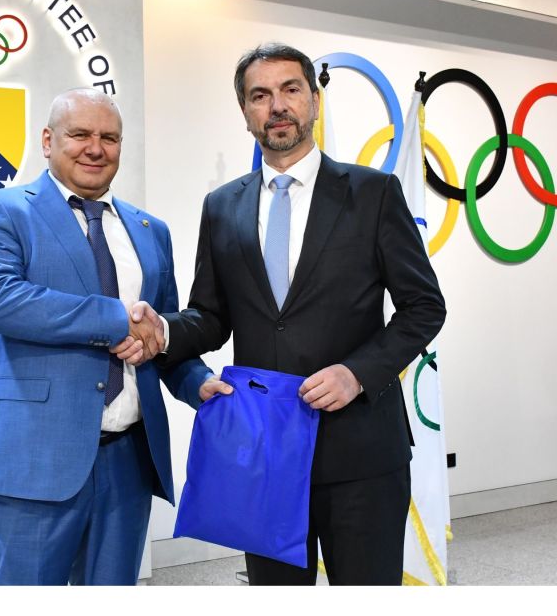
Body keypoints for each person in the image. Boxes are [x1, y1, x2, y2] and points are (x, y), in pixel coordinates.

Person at [152, 43, 447, 585]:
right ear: (245, 112)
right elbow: (212, 316)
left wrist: (358, 373)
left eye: (290, 90)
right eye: (260, 95)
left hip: (361, 450)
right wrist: (164, 331)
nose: (277, 106)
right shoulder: (222, 206)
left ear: (314, 100)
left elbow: (424, 307)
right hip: (264, 453)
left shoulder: (373, 193)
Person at [0, 88, 228, 585]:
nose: (95, 148)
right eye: (80, 134)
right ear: (48, 140)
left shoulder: (150, 229)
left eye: (109, 138)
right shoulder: (2, 210)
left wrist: (197, 383)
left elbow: (160, 331)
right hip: (35, 459)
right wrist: (114, 319)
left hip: (129, 461)